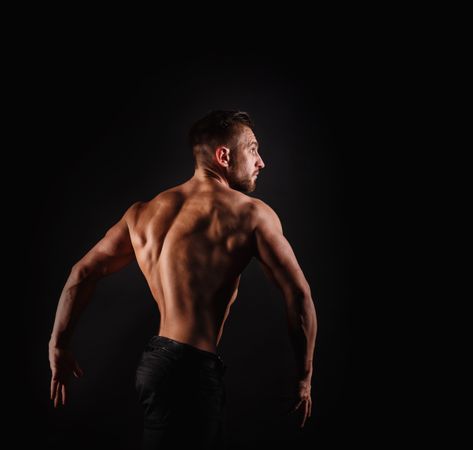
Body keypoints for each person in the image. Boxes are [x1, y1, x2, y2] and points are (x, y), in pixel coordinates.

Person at [48, 110, 318, 449]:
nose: (261, 162)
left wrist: (58, 344)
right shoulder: (251, 214)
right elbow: (299, 294)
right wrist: (304, 377)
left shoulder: (142, 213)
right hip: (191, 371)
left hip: (156, 363)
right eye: (252, 149)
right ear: (224, 156)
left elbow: (81, 273)